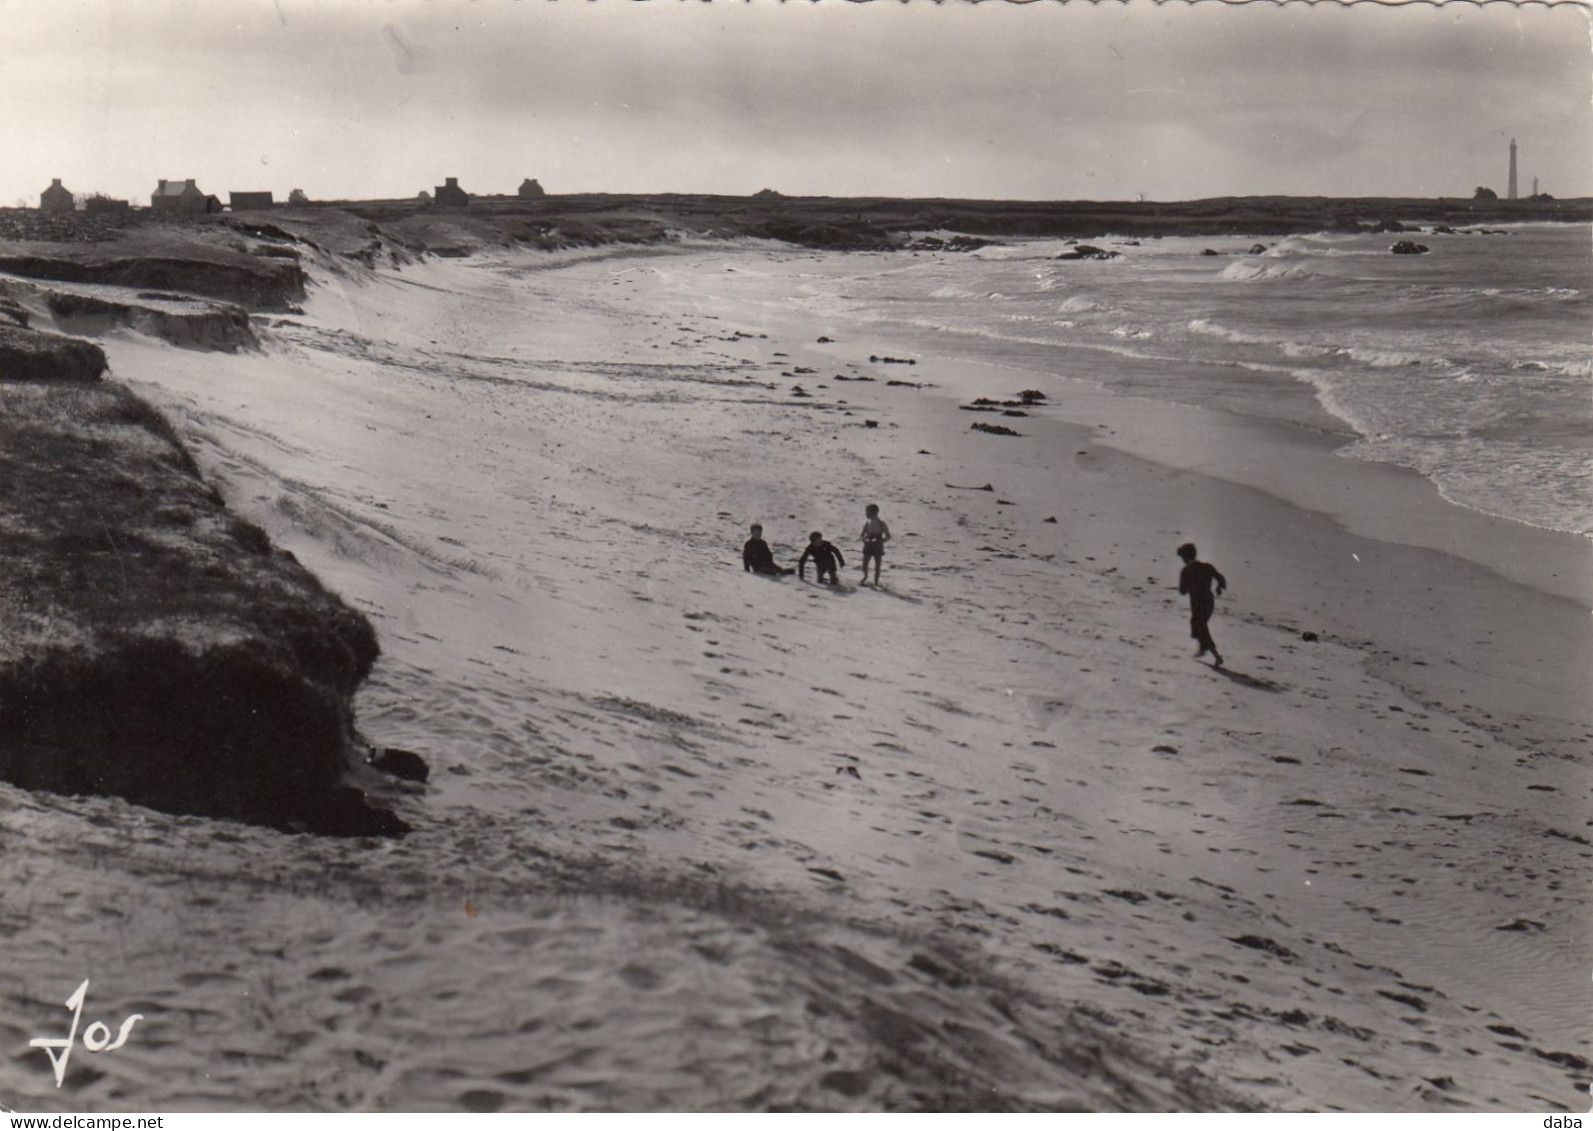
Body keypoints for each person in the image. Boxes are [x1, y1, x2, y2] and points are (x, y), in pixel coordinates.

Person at [1177, 542, 1227, 666]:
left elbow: (1182, 591)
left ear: (1185, 557)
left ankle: (1215, 655)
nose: (1182, 560)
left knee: (1200, 626)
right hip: (1209, 601)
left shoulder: (1186, 570)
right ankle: (1204, 649)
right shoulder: (1207, 566)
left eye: (1182, 557)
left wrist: (1188, 586)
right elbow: (1221, 579)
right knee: (1200, 625)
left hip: (1197, 603)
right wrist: (1219, 588)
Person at [859, 503, 891, 585]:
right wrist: (864, 539)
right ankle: (865, 577)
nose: (866, 514)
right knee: (865, 563)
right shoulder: (867, 523)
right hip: (868, 543)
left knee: (877, 565)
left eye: (867, 512)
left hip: (877, 545)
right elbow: (862, 534)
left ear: (874, 513)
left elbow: (888, 536)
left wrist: (882, 541)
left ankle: (876, 582)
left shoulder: (881, 523)